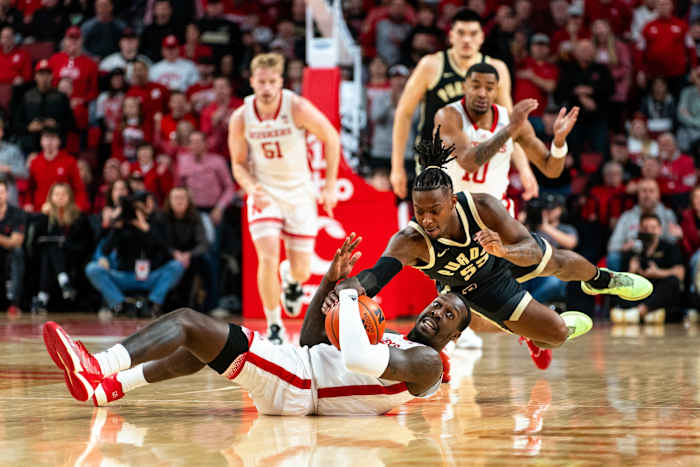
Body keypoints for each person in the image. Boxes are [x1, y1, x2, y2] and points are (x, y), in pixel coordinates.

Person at [328, 129, 650, 371]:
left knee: (558, 260)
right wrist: (341, 291)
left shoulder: (481, 205)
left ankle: (602, 280)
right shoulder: (409, 241)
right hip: (474, 286)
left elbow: (531, 250)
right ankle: (542, 332)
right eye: (418, 210)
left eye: (434, 211)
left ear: (452, 201)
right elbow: (375, 277)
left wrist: (503, 252)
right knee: (556, 333)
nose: (425, 219)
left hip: (503, 256)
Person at [46, 234, 474, 415]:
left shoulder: (428, 364)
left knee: (189, 322)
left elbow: (360, 360)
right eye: (438, 303)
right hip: (299, 372)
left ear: (455, 336)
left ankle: (98, 364)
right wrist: (329, 278)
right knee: (203, 349)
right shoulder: (397, 338)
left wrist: (349, 292)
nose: (436, 312)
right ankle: (109, 388)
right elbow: (310, 341)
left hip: (298, 384)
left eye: (448, 315)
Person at [228, 53, 340, 344]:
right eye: (261, 82)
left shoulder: (296, 107)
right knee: (266, 255)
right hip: (265, 192)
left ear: (280, 82)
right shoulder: (241, 117)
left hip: (299, 193)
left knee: (302, 270)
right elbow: (238, 163)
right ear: (252, 82)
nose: (266, 88)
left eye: (272, 82)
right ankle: (274, 324)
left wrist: (328, 186)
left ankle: (290, 277)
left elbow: (331, 137)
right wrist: (251, 187)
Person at [389, 9, 538, 203]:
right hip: (437, 162)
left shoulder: (496, 68)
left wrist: (524, 168)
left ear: (482, 37)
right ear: (451, 36)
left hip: (479, 161)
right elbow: (404, 113)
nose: (466, 39)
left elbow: (510, 124)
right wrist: (397, 166)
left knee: (479, 228)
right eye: (461, 33)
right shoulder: (431, 65)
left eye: (473, 33)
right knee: (439, 227)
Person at [434, 63, 578, 213]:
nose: (482, 93)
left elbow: (551, 170)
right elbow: (468, 162)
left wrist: (559, 142)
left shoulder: (512, 120)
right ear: (464, 87)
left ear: (496, 91)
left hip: (495, 213)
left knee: (528, 237)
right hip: (454, 210)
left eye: (489, 88)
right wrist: (510, 129)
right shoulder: (448, 116)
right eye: (476, 87)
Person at [609, 213, 684, 324]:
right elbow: (621, 282)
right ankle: (648, 314)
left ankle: (639, 312)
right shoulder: (634, 250)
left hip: (659, 292)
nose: (649, 231)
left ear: (660, 230)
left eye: (653, 228)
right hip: (640, 293)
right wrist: (631, 271)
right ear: (640, 230)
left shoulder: (670, 247)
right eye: (645, 228)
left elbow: (680, 274)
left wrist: (658, 273)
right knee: (614, 286)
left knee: (673, 282)